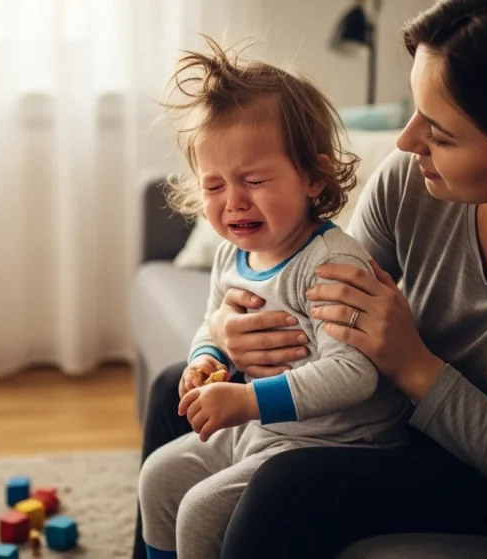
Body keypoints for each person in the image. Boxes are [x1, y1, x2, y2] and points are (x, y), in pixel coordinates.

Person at [132, 0, 487, 558]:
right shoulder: (413, 182)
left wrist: (414, 366)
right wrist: (227, 331)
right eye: (416, 111)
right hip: (393, 414)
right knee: (173, 393)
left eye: (439, 132)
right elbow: (319, 299)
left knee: (286, 489)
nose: (406, 140)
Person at [137, 37, 413, 559]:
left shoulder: (331, 264)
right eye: (214, 186)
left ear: (313, 176)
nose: (233, 202)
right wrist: (205, 358)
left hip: (336, 444)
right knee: (160, 477)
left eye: (255, 180)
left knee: (199, 510)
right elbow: (210, 321)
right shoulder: (231, 253)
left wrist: (246, 399)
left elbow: (354, 373)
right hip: (264, 428)